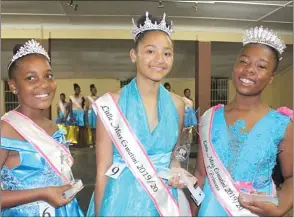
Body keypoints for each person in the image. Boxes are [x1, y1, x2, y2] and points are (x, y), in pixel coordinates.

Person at [87, 12, 196, 216]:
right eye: (150, 51)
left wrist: (176, 172)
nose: (159, 60)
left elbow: (173, 158)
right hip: (120, 199)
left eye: (167, 53)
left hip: (163, 199)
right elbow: (103, 169)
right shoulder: (112, 103)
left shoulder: (178, 104)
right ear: (133, 55)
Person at [192, 26, 293, 216]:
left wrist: (280, 209)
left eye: (261, 66)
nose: (249, 70)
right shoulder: (210, 117)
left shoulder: (282, 124)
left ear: (271, 77)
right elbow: (200, 174)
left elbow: (291, 177)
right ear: (235, 66)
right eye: (243, 61)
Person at [0, 39, 84, 216]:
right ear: (13, 86)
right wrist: (42, 193)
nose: (44, 84)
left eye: (48, 76)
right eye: (31, 78)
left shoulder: (52, 127)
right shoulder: (5, 130)